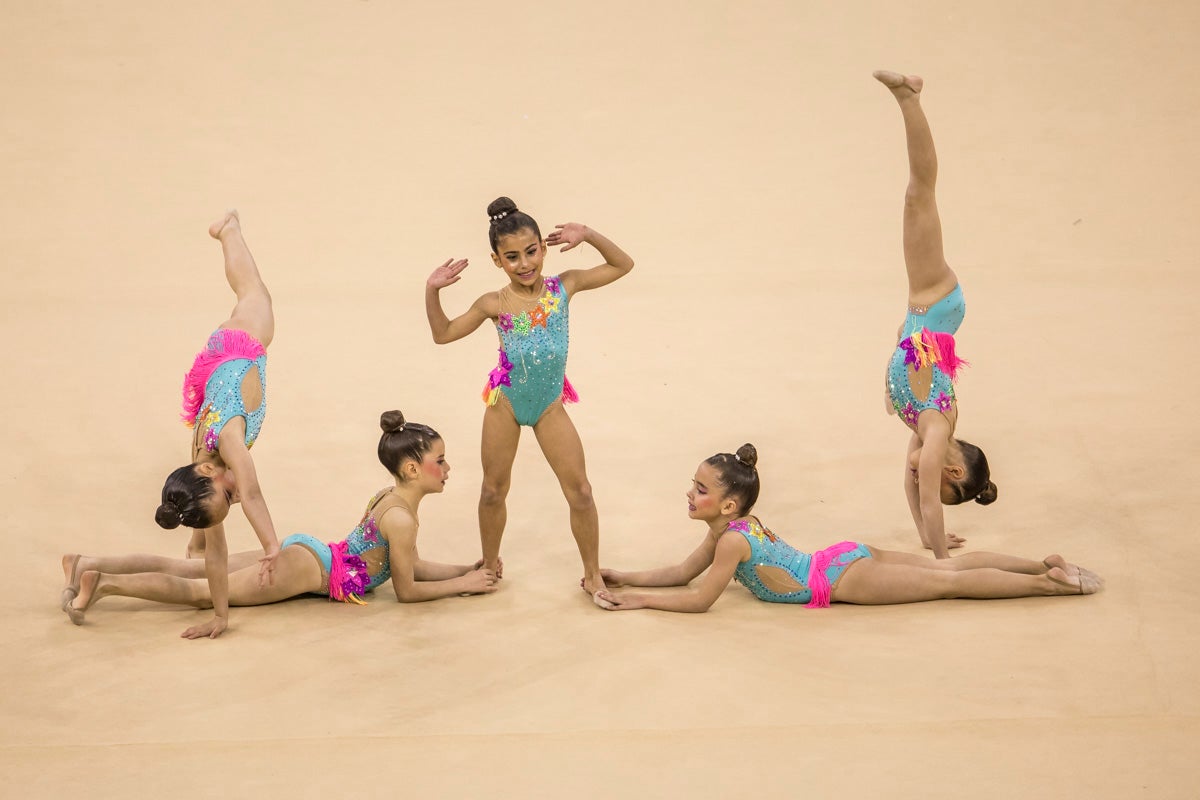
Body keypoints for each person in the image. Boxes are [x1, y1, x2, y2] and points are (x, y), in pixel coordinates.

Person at [60, 412, 497, 637]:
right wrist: (465, 586)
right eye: (439, 460)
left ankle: (84, 562)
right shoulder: (401, 518)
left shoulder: (390, 500)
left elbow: (412, 565)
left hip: (309, 552)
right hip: (311, 570)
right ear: (411, 469)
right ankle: (103, 585)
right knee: (199, 591)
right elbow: (406, 590)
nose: (448, 467)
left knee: (194, 568)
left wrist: (465, 569)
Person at [594, 444, 1100, 613]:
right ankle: (1043, 562)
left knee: (950, 581)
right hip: (840, 555)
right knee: (945, 570)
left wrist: (640, 602)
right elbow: (682, 573)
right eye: (693, 484)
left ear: (729, 505)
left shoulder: (730, 543)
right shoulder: (733, 529)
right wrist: (624, 575)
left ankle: (1045, 582)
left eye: (701, 489)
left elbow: (699, 600)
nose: (690, 493)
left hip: (840, 580)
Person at [424, 196, 634, 597]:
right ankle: (488, 567)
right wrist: (432, 291)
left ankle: (592, 574)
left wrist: (587, 234)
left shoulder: (565, 285)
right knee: (492, 490)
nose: (525, 264)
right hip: (505, 403)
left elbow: (623, 265)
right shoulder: (494, 303)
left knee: (581, 491)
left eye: (532, 252)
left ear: (543, 245)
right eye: (512, 257)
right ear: (496, 260)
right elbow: (443, 334)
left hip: (549, 405)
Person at [873, 70, 998, 558]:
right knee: (918, 195)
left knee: (916, 199)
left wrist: (930, 539)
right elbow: (926, 496)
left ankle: (909, 98)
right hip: (935, 298)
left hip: (921, 310)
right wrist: (941, 561)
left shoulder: (923, 431)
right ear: (953, 470)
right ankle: (910, 97)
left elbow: (913, 491)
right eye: (942, 485)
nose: (915, 469)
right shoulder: (937, 427)